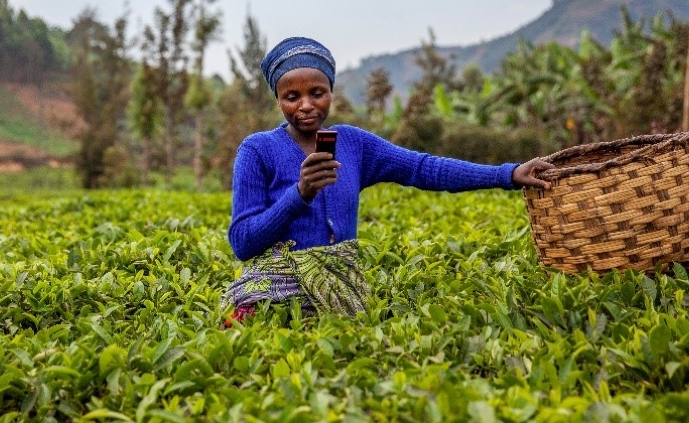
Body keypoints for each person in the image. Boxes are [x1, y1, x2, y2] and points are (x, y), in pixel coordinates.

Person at [220, 36, 553, 322]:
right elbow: (243, 243)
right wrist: (300, 193)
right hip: (273, 290)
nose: (306, 105)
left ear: (331, 92)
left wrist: (507, 173)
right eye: (292, 97)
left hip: (341, 291)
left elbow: (425, 168)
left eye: (317, 93)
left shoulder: (355, 145)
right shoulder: (257, 150)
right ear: (279, 99)